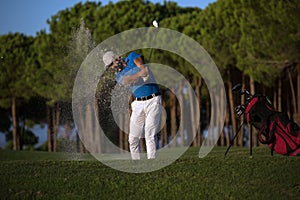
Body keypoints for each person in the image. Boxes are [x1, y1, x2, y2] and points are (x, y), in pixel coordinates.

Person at [103, 51, 162, 160]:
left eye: (112, 64)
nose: (112, 68)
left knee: (149, 134)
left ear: (117, 58)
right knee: (133, 138)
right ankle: (136, 163)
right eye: (109, 66)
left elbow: (144, 68)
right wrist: (140, 74)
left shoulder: (132, 56)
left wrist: (142, 71)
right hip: (138, 103)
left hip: (153, 100)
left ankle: (152, 161)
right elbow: (127, 80)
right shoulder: (119, 75)